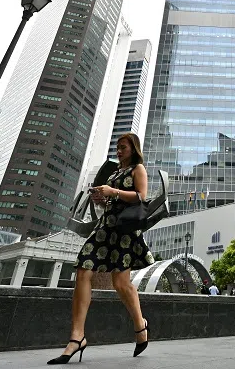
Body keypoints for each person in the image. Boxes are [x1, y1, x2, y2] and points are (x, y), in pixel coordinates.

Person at [48, 133, 155, 364]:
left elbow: (141, 197)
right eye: (117, 147)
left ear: (133, 148)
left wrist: (112, 192)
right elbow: (112, 201)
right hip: (104, 228)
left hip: (124, 231)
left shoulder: (138, 169)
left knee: (120, 283)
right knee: (83, 269)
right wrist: (101, 198)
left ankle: (140, 325)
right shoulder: (115, 173)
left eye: (123, 147)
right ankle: (77, 337)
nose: (119, 151)